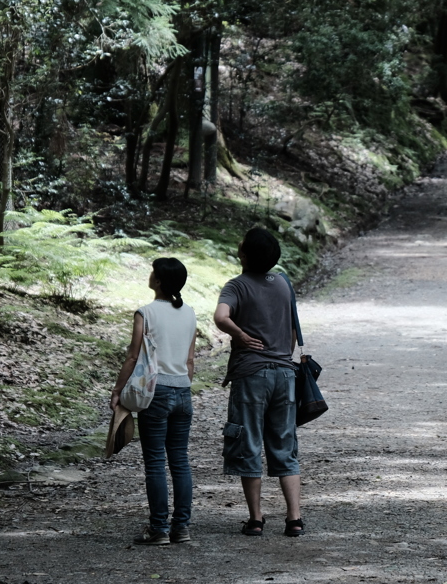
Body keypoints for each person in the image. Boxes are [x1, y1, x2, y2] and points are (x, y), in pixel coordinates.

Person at [214, 228, 304, 537]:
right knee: (284, 444)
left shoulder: (236, 286)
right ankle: (294, 519)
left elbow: (221, 317)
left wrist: (239, 335)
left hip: (251, 374)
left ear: (245, 255)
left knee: (249, 442)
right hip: (285, 374)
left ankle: (256, 519)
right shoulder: (282, 283)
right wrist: (282, 354)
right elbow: (292, 328)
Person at [111, 258, 197, 545]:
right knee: (180, 461)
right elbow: (189, 361)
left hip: (154, 393)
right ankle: (181, 528)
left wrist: (117, 391)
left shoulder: (145, 313)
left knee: (156, 462)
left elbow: (133, 356)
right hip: (183, 392)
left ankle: (159, 529)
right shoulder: (190, 313)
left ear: (158, 281)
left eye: (153, 273)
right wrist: (181, 385)